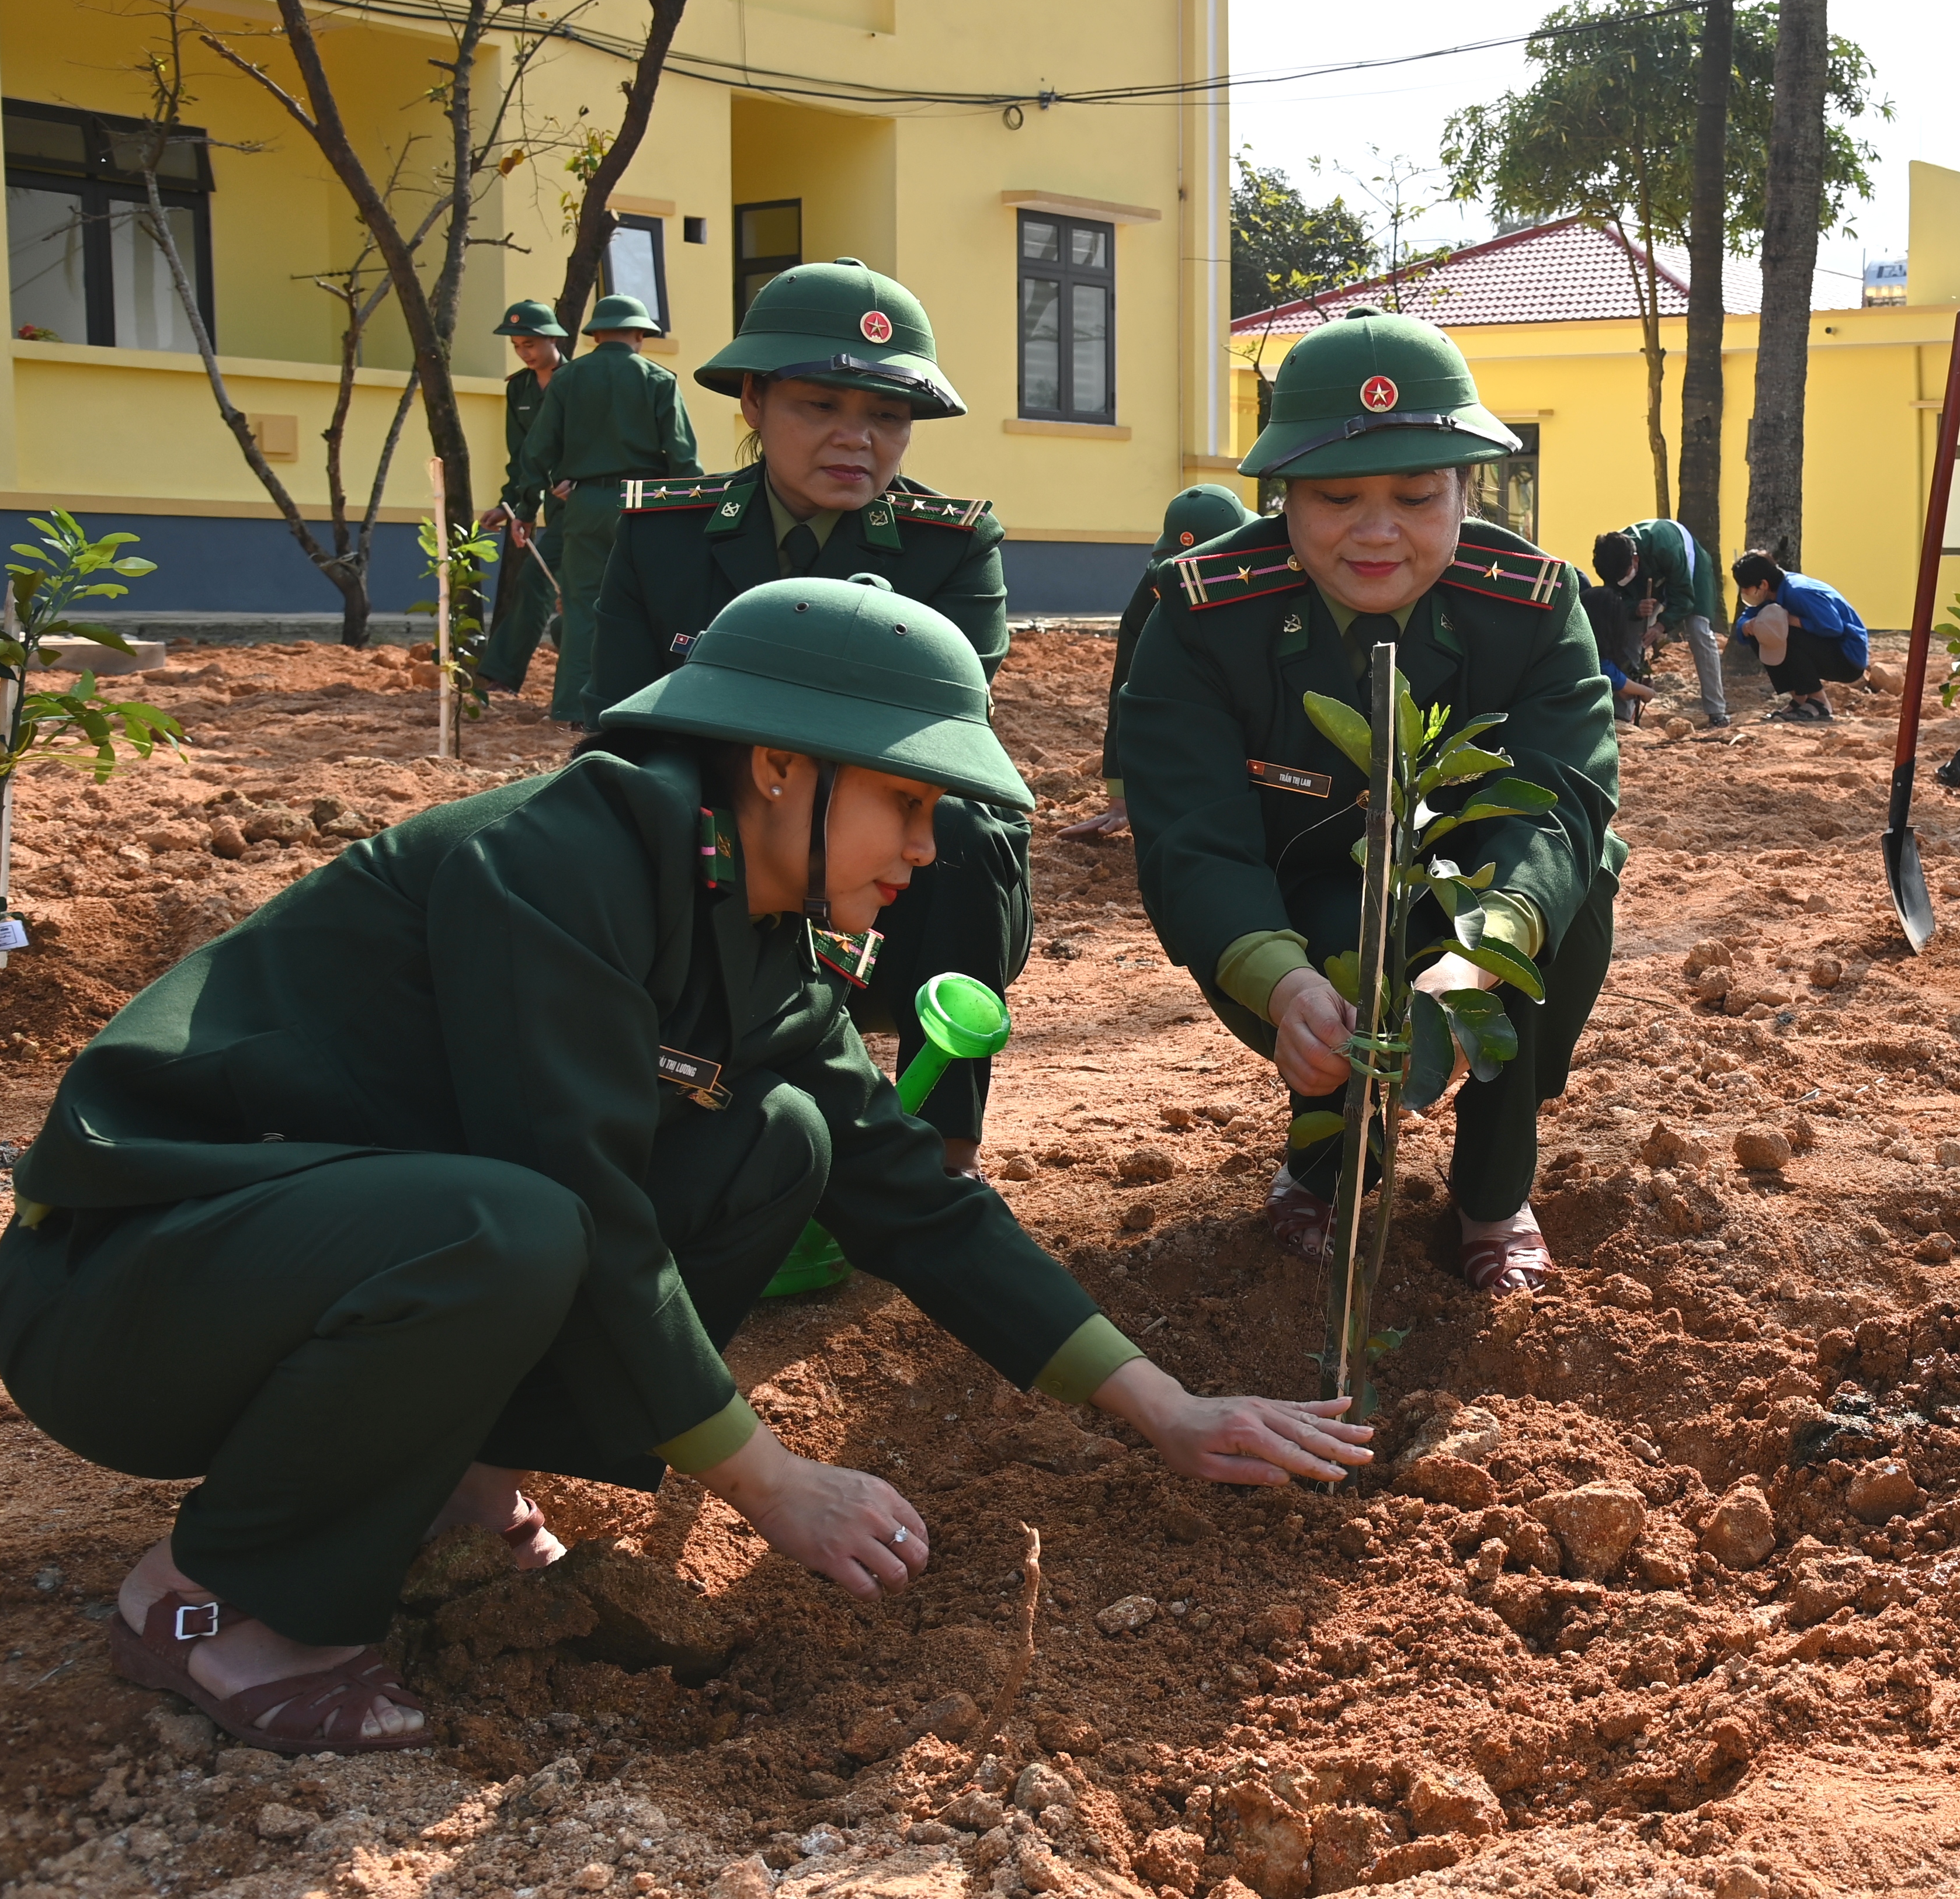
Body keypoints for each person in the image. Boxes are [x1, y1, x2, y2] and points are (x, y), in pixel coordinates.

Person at [0, 574, 1371, 1756]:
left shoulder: (758, 927)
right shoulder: (559, 862)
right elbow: (580, 1197)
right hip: (125, 1298)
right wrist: (771, 1481)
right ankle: (221, 1597)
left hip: (297, 1265)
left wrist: (1167, 1407)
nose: (925, 847)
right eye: (904, 798)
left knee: (779, 1144)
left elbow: (912, 1196)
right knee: (520, 1224)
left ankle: (448, 1473)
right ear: (777, 763)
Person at [1117, 310, 1620, 1295]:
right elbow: (1192, 833)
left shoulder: (1528, 607)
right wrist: (1282, 985)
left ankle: (1491, 1191)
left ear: (1466, 490)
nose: (1377, 528)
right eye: (1337, 495)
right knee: (1327, 974)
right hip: (1299, 894)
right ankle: (1325, 1161)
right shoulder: (1203, 617)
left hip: (1468, 887)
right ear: (1283, 496)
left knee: (1571, 899)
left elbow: (1556, 806)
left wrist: (1479, 954)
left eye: (1417, 494)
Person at [588, 262, 1027, 1173]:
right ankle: (672, 1101)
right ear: (752, 399)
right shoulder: (663, 535)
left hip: (884, 856)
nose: (854, 440)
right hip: (722, 847)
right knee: (626, 817)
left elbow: (938, 735)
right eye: (819, 406)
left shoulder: (953, 548)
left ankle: (944, 1151)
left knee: (960, 828)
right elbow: (624, 728)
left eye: (886, 418)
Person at [508, 293, 700, 727]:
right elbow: (683, 458)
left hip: (586, 503)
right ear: (640, 335)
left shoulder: (567, 379)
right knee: (650, 606)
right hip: (646, 506)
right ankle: (644, 707)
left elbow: (536, 452)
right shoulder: (659, 380)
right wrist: (687, 514)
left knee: (580, 608)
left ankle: (574, 709)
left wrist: (525, 507)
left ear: (595, 334)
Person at [1054, 484, 1254, 844]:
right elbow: (1128, 686)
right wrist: (1122, 797)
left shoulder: (1274, 577)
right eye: (1180, 567)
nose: (1190, 581)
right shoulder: (1158, 587)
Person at [474, 301, 568, 696]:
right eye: (517, 347)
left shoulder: (580, 379)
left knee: (548, 582)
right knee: (539, 581)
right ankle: (500, 676)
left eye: (530, 343)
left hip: (589, 497)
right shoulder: (519, 388)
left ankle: (504, 673)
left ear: (553, 338)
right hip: (546, 498)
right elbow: (522, 455)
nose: (525, 353)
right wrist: (513, 506)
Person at [1593, 519, 1730, 726]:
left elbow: (1684, 598)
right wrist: (1634, 607)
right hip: (1646, 575)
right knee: (1629, 633)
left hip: (1690, 572)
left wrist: (1660, 626)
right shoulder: (1612, 558)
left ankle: (1716, 711)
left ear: (1636, 560)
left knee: (1699, 631)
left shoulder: (1665, 547)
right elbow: (1618, 599)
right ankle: (1621, 715)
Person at [1725, 551, 1869, 723]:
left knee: (1784, 631)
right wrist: (1747, 627)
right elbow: (1747, 619)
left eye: (1745, 587)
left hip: (1847, 658)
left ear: (1763, 584)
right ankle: (1800, 699)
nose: (1743, 592)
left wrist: (1793, 621)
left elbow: (1834, 627)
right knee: (1764, 631)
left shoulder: (1800, 592)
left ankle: (1818, 702)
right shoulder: (1769, 594)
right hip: (1823, 649)